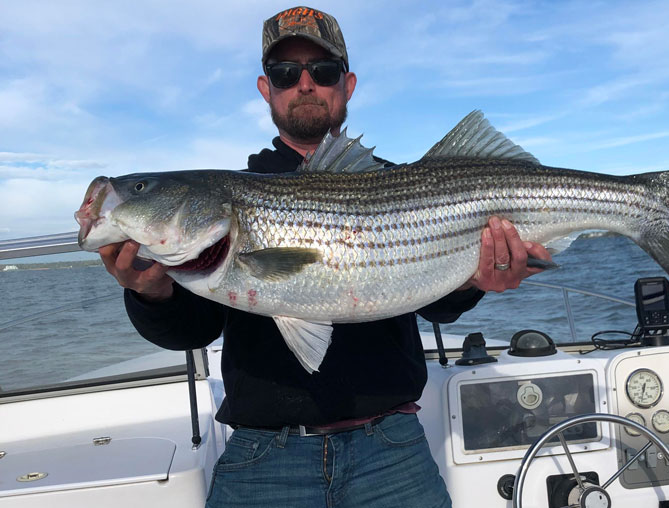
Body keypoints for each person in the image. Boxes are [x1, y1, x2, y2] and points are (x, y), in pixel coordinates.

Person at [99, 6, 552, 508]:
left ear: (348, 84)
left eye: (323, 69)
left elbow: (436, 305)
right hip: (264, 456)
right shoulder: (234, 194)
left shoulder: (403, 182)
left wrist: (475, 280)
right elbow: (193, 331)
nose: (305, 83)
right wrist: (152, 293)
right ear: (265, 88)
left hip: (392, 448)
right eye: (285, 73)